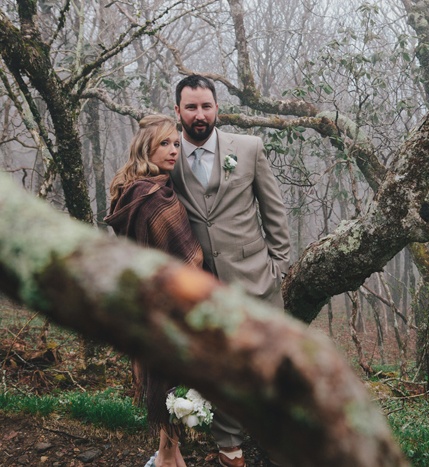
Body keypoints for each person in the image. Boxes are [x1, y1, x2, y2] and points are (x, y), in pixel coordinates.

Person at [171, 74, 291, 467]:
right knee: (217, 366)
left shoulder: (249, 148)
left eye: (206, 106)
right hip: (199, 285)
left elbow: (274, 210)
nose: (200, 114)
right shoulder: (166, 158)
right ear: (178, 111)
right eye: (191, 107)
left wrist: (278, 265)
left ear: (217, 108)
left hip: (256, 277)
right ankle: (229, 449)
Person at [105, 114, 203, 467]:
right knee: (171, 380)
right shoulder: (154, 196)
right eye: (165, 143)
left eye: (176, 143)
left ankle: (172, 457)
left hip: (144, 301)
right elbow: (187, 256)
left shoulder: (131, 189)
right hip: (169, 301)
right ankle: (165, 459)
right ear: (146, 146)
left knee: (165, 380)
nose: (174, 150)